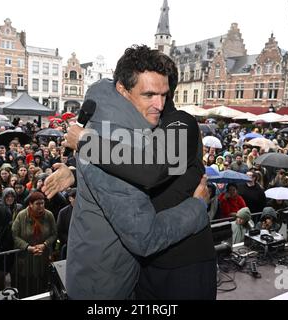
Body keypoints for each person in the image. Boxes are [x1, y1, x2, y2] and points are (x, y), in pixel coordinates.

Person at [61, 45, 210, 300]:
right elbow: (126, 169)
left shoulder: (179, 121)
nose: (159, 104)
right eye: (149, 94)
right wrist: (77, 170)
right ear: (122, 90)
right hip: (146, 266)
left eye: (164, 94)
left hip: (184, 258)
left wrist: (86, 144)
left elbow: (154, 168)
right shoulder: (127, 128)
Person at [11, 192, 57, 298]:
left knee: (41, 283)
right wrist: (28, 247)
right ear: (30, 204)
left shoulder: (49, 215)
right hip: (25, 257)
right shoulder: (22, 215)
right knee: (26, 284)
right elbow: (15, 235)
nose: (41, 206)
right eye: (37, 203)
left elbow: (54, 234)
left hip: (43, 256)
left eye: (42, 203)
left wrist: (45, 244)